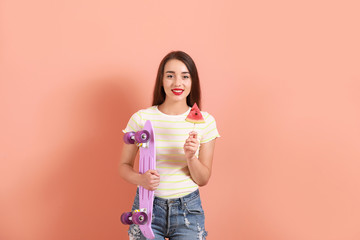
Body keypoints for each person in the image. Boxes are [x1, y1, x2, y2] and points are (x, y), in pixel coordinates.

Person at [119, 51, 220, 240]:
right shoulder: (142, 118)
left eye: (185, 76)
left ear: (193, 81)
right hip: (147, 206)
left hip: (188, 210)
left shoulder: (206, 121)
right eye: (170, 76)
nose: (177, 83)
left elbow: (203, 179)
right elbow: (123, 166)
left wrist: (191, 157)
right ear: (161, 80)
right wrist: (141, 180)